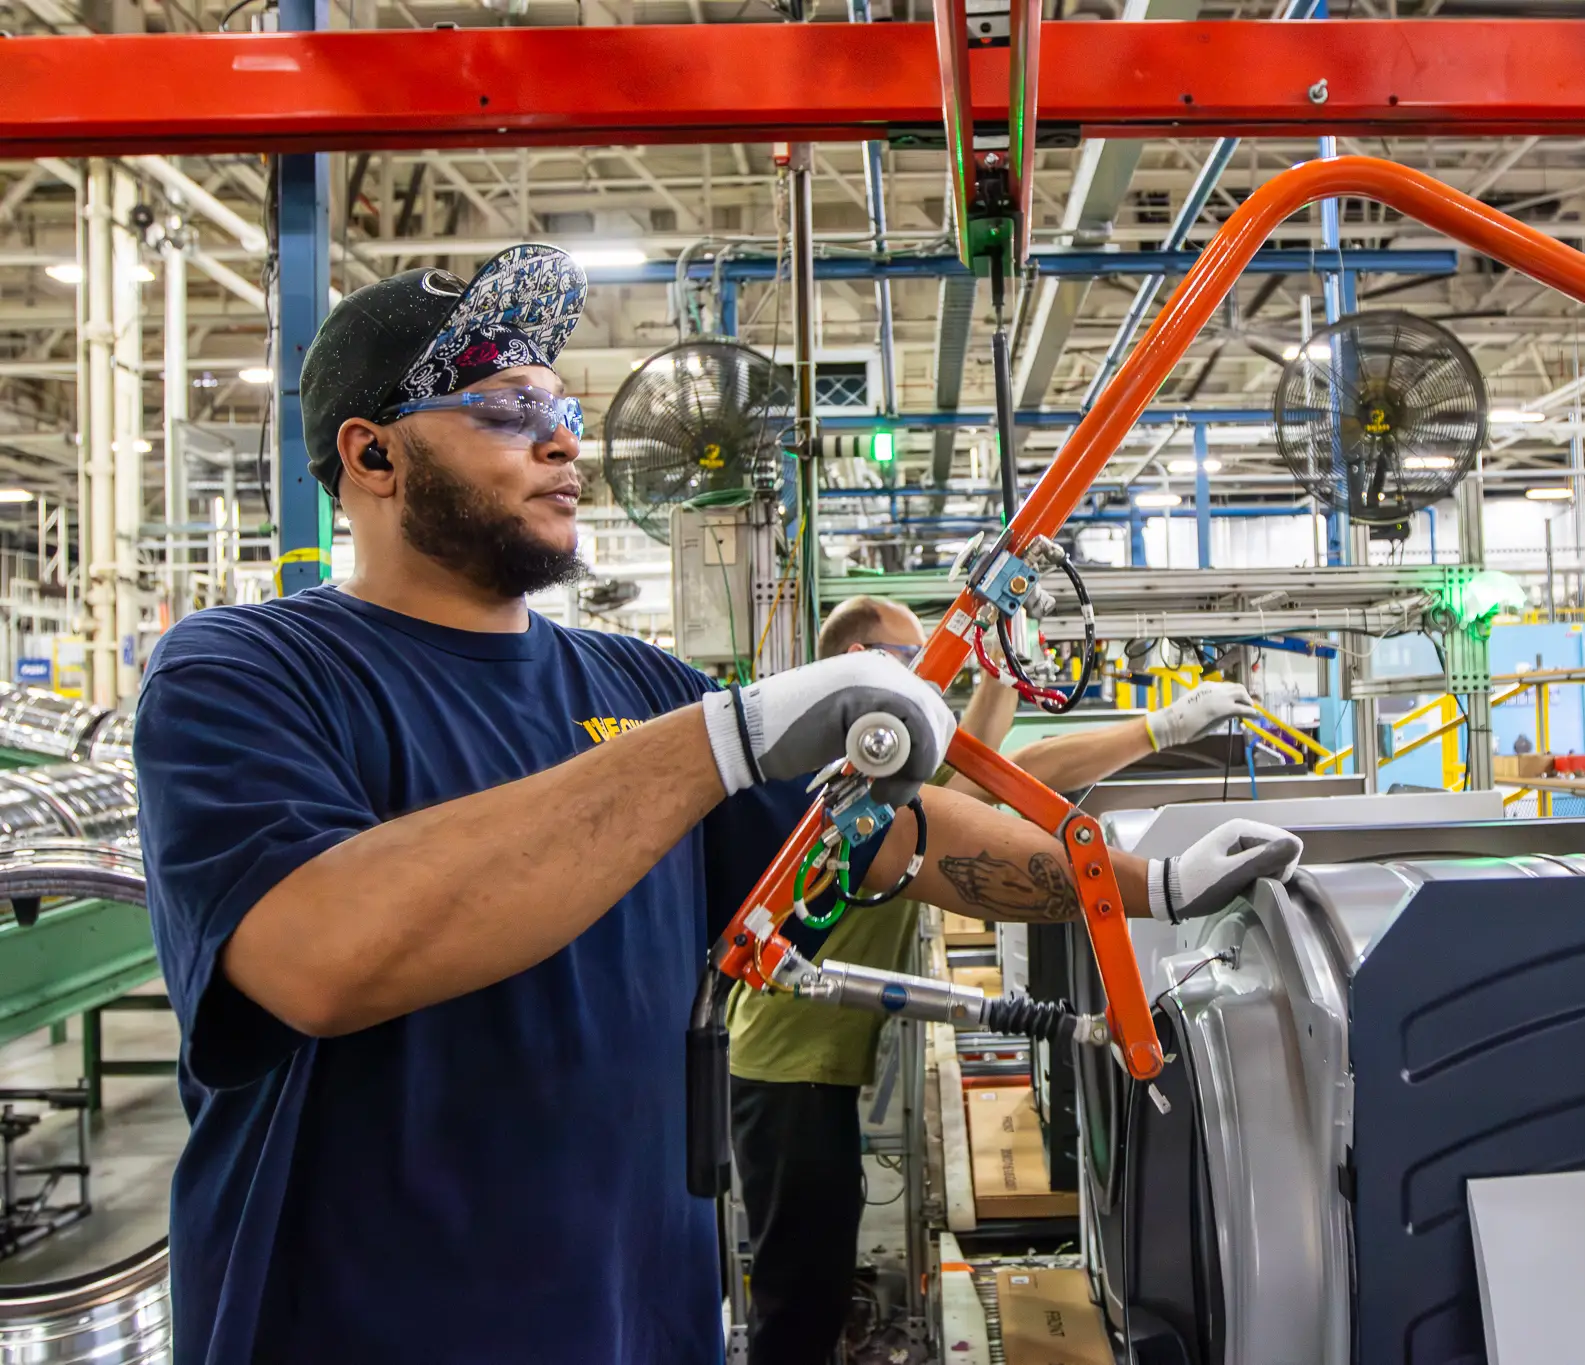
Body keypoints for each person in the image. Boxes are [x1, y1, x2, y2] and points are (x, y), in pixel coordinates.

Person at [133, 246, 1304, 1365]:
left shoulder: (627, 683)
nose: (558, 441)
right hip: (362, 1327)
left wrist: (1142, 883)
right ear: (372, 457)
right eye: (501, 409)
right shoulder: (247, 673)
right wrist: (717, 740)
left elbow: (883, 834)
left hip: (636, 1320)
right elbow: (316, 956)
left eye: (563, 409)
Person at [728, 595, 1259, 1364]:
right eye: (917, 665)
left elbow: (993, 762)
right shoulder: (854, 775)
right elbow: (1015, 769)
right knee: (799, 1295)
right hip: (787, 1076)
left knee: (812, 1278)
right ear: (861, 665)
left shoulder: (876, 765)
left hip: (801, 1072)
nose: (928, 687)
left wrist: (1006, 644)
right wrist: (1161, 731)